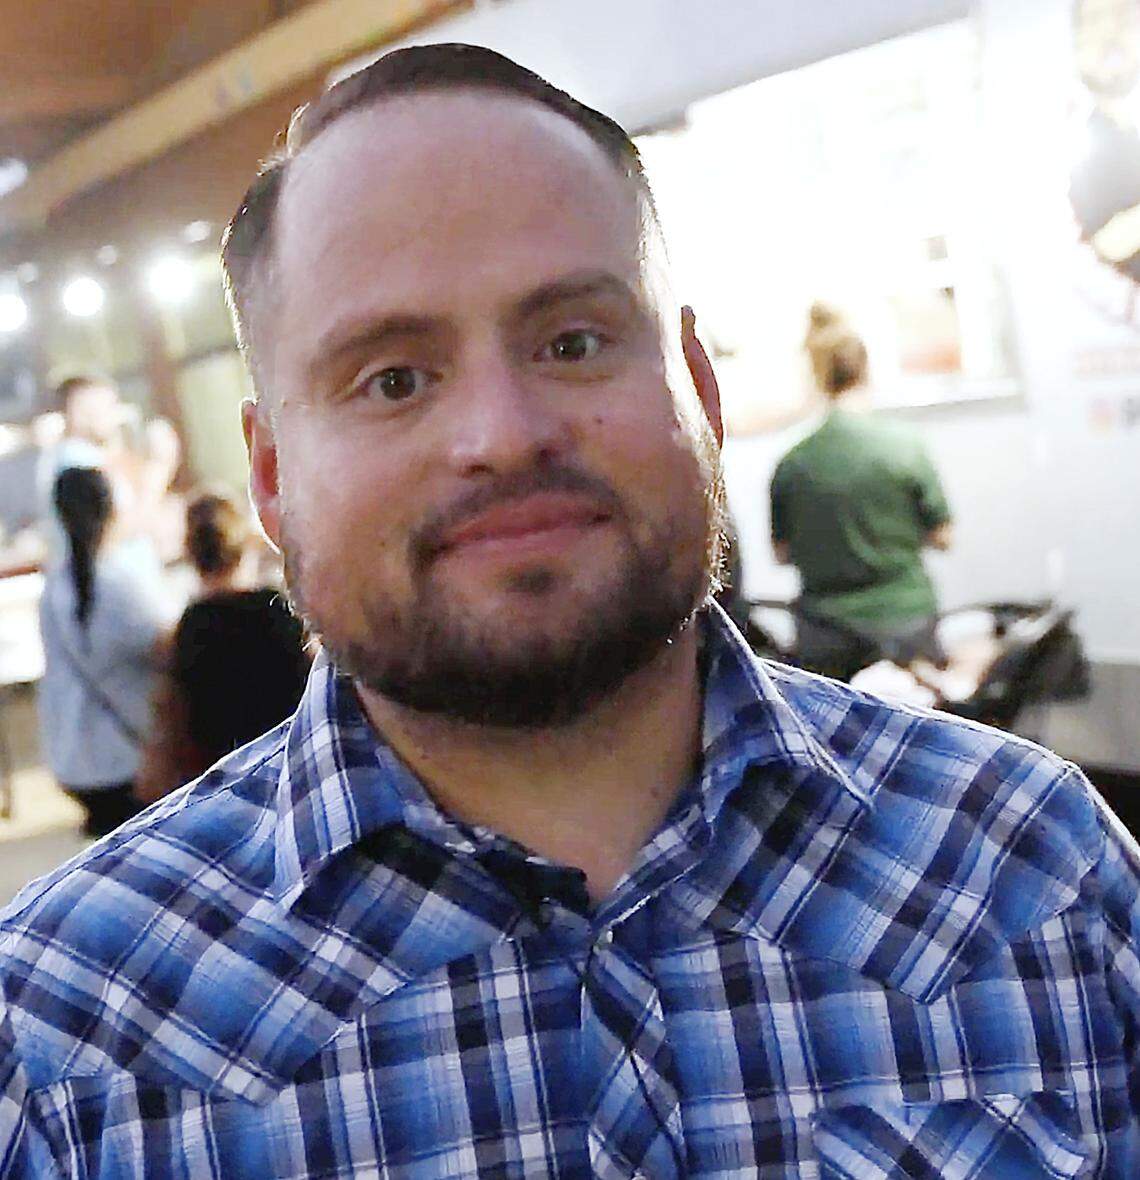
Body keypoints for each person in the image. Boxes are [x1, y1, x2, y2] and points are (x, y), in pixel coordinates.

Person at [0, 44, 1138, 1178]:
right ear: (271, 477)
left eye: (574, 341)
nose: (502, 433)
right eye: (392, 377)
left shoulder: (1032, 871)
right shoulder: (68, 1031)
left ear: (699, 388)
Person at [769, 304, 954, 679]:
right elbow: (943, 537)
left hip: (826, 635)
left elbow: (782, 553)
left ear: (819, 375)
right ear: (866, 369)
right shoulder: (904, 447)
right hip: (906, 625)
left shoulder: (793, 463)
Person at [135, 489, 310, 802]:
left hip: (220, 789)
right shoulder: (278, 612)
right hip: (292, 772)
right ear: (244, 545)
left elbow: (175, 719)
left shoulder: (189, 629)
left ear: (190, 552)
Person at [35, 466, 168, 837]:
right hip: (125, 758)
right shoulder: (119, 584)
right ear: (112, 511)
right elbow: (169, 647)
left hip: (71, 757)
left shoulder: (54, 588)